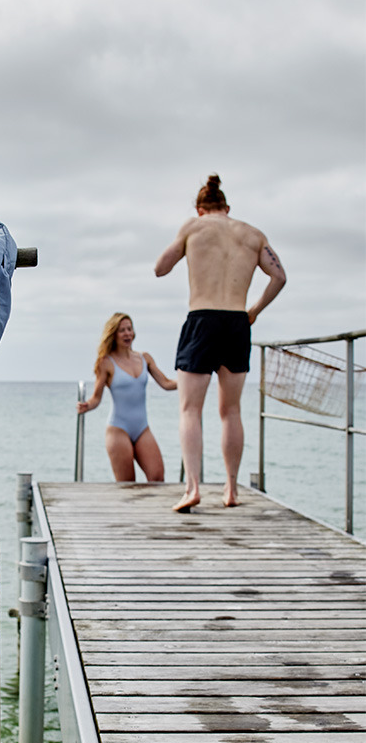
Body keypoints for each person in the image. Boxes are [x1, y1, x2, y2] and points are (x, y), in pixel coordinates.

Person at [155, 174, 286, 511]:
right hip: (237, 322)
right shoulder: (253, 234)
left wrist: (185, 243)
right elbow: (279, 276)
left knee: (190, 409)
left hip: (202, 319)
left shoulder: (193, 227)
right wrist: (254, 310)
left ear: (200, 209)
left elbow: (160, 268)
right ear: (227, 207)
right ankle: (231, 490)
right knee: (231, 411)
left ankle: (192, 488)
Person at [77, 312, 177, 482]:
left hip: (142, 428)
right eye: (122, 330)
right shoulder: (106, 362)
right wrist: (86, 406)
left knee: (157, 477)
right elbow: (96, 398)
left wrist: (189, 381)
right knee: (127, 484)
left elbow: (166, 383)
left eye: (129, 329)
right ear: (114, 334)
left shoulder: (145, 358)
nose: (127, 333)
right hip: (118, 429)